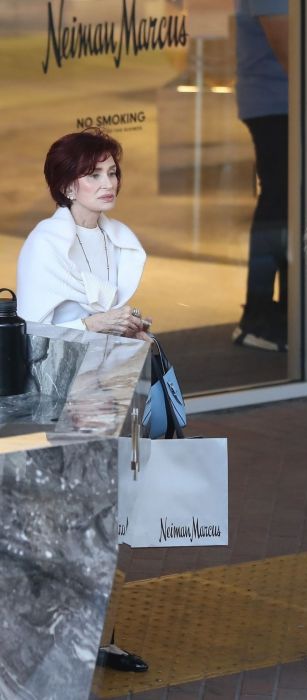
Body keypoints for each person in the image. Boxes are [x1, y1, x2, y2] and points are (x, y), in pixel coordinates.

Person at [17, 128, 151, 672]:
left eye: (112, 171)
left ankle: (98, 632)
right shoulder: (46, 243)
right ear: (67, 185)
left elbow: (111, 313)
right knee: (64, 514)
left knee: (105, 512)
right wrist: (96, 322)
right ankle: (59, 636)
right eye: (93, 174)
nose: (107, 182)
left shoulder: (116, 235)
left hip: (109, 385)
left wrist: (131, 327)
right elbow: (34, 328)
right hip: (60, 394)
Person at [232, 0, 307, 352]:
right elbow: (290, 52)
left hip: (285, 103)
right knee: (278, 205)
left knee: (289, 208)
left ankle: (283, 312)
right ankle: (258, 317)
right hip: (276, 105)